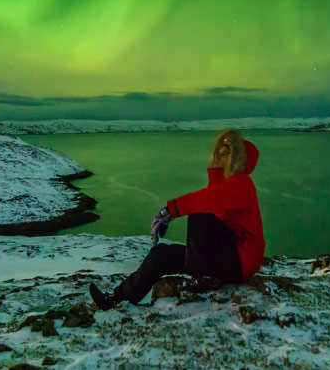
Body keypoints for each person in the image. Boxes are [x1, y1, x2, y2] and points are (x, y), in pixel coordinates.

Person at [89, 128, 265, 310]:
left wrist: (170, 211)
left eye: (223, 154)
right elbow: (211, 198)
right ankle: (117, 299)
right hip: (221, 261)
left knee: (199, 216)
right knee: (161, 255)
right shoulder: (224, 185)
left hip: (239, 264)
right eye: (216, 153)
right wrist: (215, 173)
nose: (216, 157)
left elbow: (205, 200)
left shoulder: (243, 184)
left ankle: (205, 278)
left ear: (236, 159)